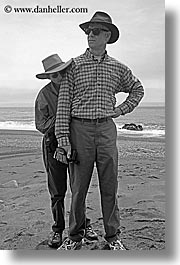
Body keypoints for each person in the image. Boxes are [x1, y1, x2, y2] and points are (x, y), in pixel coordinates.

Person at [55, 11, 144, 250]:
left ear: (107, 36)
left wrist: (122, 109)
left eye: (96, 32)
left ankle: (113, 237)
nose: (90, 35)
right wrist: (63, 138)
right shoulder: (73, 66)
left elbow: (137, 89)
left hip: (106, 129)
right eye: (88, 31)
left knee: (109, 185)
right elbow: (63, 104)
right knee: (78, 189)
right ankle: (74, 237)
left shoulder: (118, 68)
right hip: (79, 130)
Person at [35, 54, 98, 249]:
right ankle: (57, 229)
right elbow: (41, 124)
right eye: (54, 75)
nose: (60, 77)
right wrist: (61, 117)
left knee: (78, 188)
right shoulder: (44, 95)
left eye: (62, 72)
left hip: (77, 143)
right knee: (57, 191)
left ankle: (83, 224)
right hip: (53, 146)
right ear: (49, 78)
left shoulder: (76, 88)